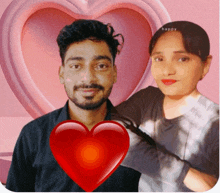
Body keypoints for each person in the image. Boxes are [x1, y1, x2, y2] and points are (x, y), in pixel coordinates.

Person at [6, 19, 215, 192]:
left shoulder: (144, 135)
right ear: (62, 73)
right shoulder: (33, 136)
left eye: (101, 65)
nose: (88, 77)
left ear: (114, 73)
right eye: (76, 65)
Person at [115, 21, 219, 191]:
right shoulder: (146, 99)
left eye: (182, 59)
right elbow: (110, 134)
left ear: (205, 65)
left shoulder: (215, 123)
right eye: (159, 59)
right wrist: (183, 173)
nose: (167, 70)